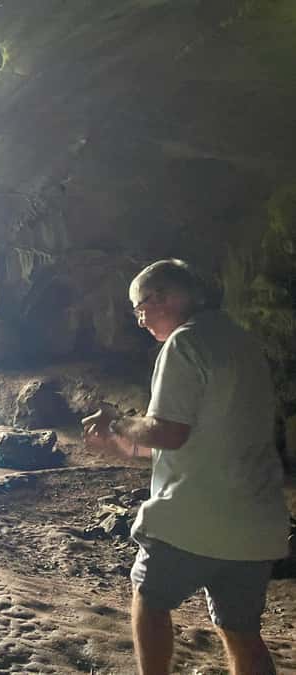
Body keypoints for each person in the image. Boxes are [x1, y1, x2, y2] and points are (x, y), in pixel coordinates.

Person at [81, 259, 289, 675]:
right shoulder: (243, 343)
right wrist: (128, 449)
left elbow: (168, 431)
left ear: (163, 297)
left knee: (150, 597)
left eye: (140, 307)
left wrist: (116, 422)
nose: (139, 320)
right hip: (257, 523)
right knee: (242, 631)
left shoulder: (184, 343)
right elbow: (205, 436)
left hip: (195, 517)